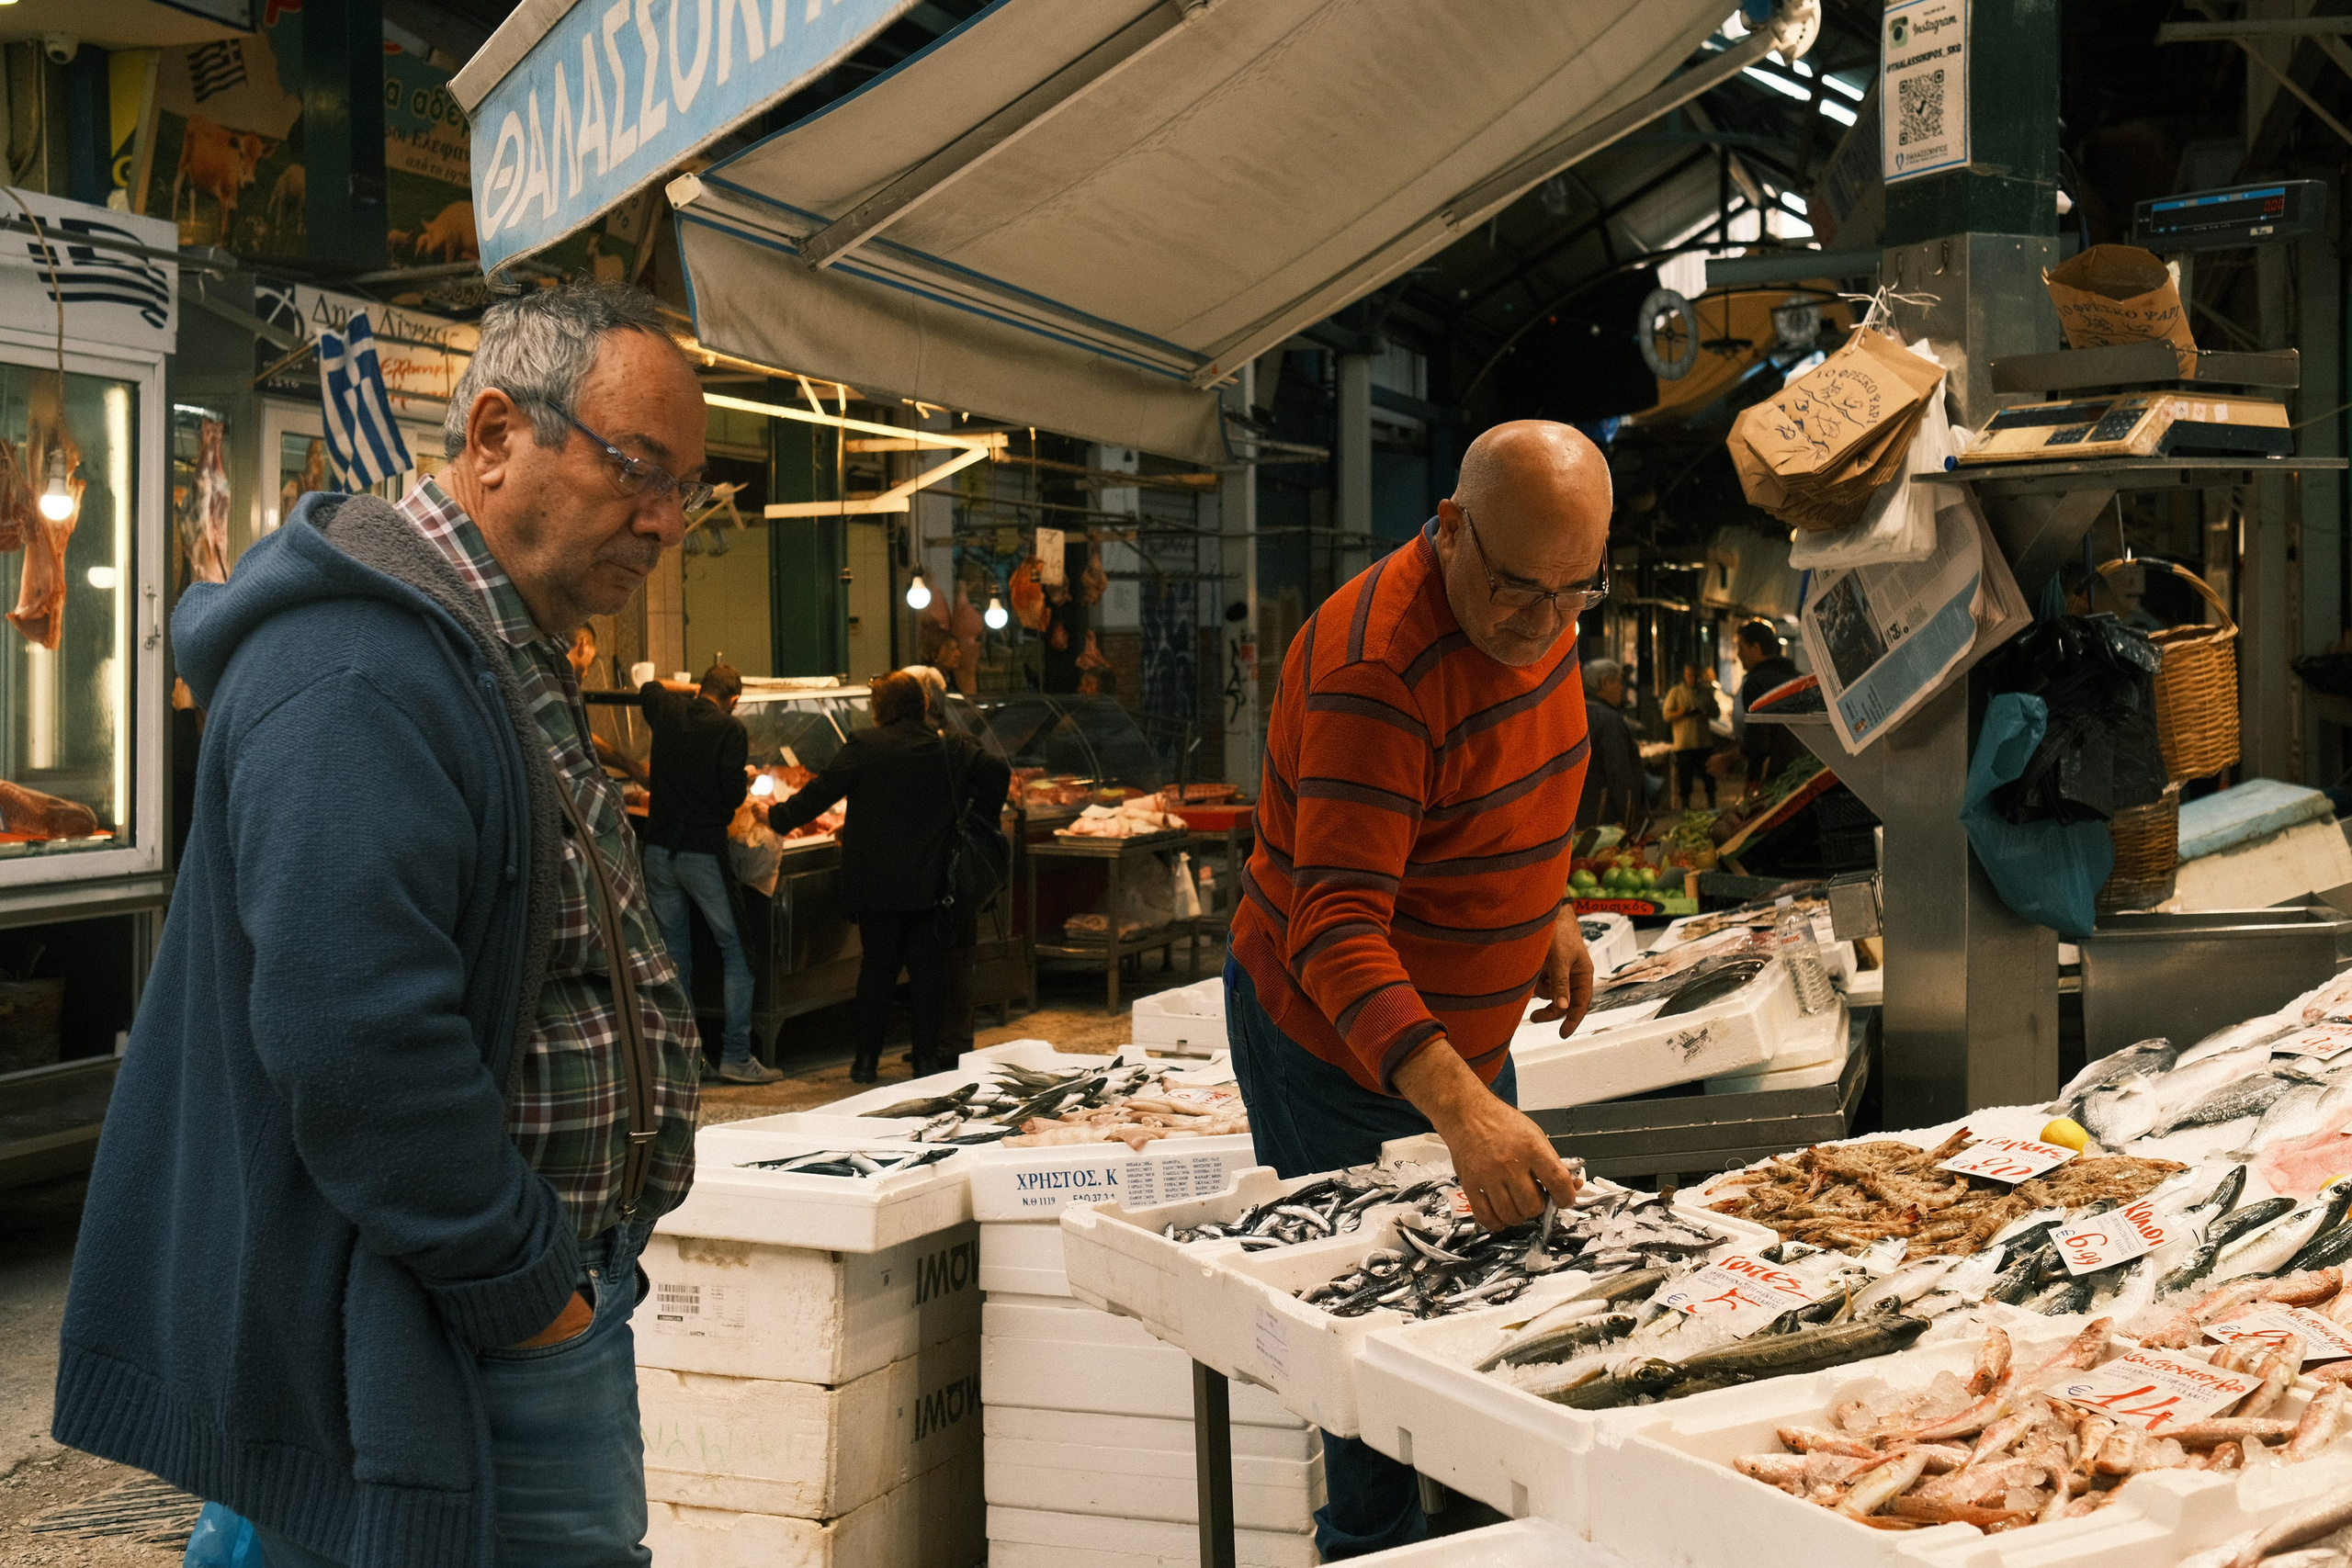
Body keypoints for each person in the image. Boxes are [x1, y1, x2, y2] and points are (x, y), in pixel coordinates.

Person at [55, 280, 708, 1568]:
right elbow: (358, 1048)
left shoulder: (493, 644)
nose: (665, 520)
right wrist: (535, 1299)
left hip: (478, 1303)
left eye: (690, 488)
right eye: (639, 469)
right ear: (493, 437)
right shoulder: (358, 667)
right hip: (431, 1318)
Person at [1228, 419, 1604, 1560]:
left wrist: (1542, 903)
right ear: (1448, 528)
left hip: (1460, 1029)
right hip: (1338, 1051)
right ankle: (1372, 1546)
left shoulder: (1534, 593)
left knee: (1489, 1315)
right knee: (1380, 1356)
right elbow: (1332, 929)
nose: (1539, 626)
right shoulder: (1375, 670)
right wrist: (1467, 1108)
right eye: (1518, 591)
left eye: (1571, 595)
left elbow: (1493, 780)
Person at [767, 671, 1011, 1082]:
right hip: (931, 884)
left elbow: (820, 792)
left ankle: (865, 1064)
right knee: (927, 973)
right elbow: (998, 774)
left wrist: (777, 817)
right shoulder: (947, 748)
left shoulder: (865, 744)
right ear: (922, 705)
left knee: (877, 972)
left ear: (882, 708)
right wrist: (967, 815)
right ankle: (926, 1062)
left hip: (876, 884)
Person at [641, 661, 777, 1084]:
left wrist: (680, 686)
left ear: (701, 688)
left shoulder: (669, 709)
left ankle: (685, 1060)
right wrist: (746, 776)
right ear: (734, 700)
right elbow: (730, 793)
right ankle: (736, 1055)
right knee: (737, 951)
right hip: (702, 851)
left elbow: (649, 687)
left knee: (674, 956)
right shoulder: (731, 730)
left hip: (658, 849)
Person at [901, 663, 989, 1061]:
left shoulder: (950, 742)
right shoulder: (943, 740)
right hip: (936, 863)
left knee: (954, 956)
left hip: (949, 867)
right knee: (936, 957)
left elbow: (996, 774)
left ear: (922, 700)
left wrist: (967, 821)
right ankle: (936, 1041)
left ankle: (953, 1042)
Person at [1720, 618, 1806, 793]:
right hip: (1801, 772)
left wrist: (1726, 759)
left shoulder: (1755, 683)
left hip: (1771, 778)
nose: (1738, 654)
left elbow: (1758, 742)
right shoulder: (1797, 679)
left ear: (1756, 648)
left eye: (1741, 648)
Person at [1575, 658, 1642, 831]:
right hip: (1607, 819)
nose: (1622, 688)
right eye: (1619, 681)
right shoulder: (1609, 720)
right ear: (1604, 683)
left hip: (1578, 815)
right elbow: (1619, 774)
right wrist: (1630, 823)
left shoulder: (1574, 714)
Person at [1660, 661, 1718, 808]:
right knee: (1685, 778)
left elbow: (1716, 711)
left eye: (1696, 676)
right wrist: (1681, 713)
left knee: (1709, 776)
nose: (1693, 679)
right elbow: (1666, 715)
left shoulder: (1706, 692)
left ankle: (1712, 805)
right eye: (1690, 676)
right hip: (1684, 744)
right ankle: (1686, 808)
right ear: (1685, 675)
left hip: (1703, 743)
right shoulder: (1676, 692)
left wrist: (1705, 714)